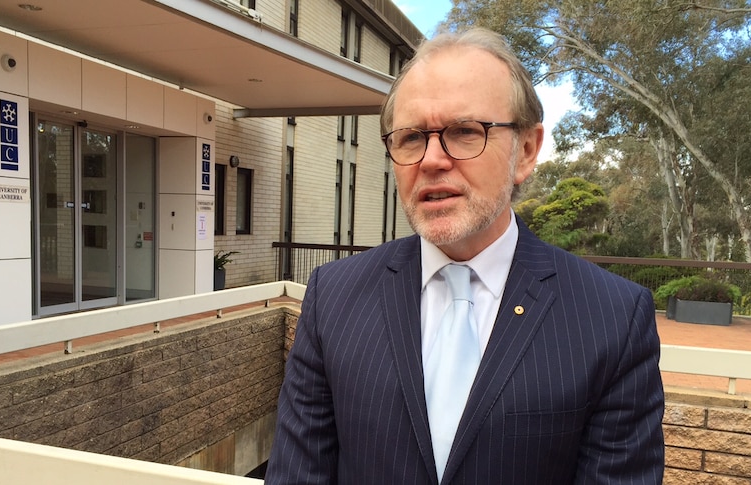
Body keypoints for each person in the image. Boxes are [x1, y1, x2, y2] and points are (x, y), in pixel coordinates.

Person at [265, 26, 664, 485]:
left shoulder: (612, 317)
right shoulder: (332, 297)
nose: (432, 159)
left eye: (464, 131)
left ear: (526, 150)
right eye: (412, 137)